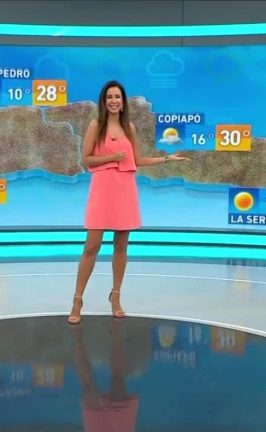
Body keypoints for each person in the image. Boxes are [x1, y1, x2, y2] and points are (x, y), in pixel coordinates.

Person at [68, 80, 188, 324]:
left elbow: (137, 160)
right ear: (104, 102)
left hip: (124, 189)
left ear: (123, 102)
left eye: (117, 97)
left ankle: (115, 296)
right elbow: (86, 159)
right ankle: (77, 300)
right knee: (91, 246)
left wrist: (166, 159)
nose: (114, 101)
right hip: (102, 188)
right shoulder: (96, 126)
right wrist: (112, 157)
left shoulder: (129, 128)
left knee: (121, 246)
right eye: (109, 97)